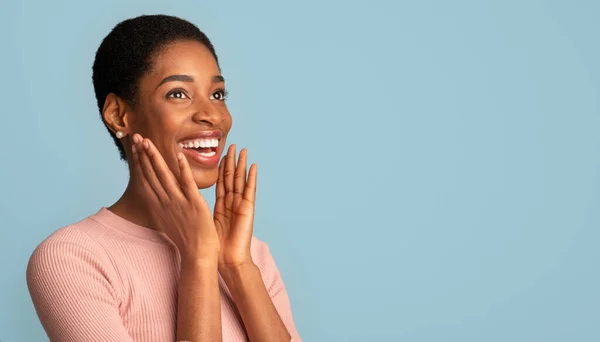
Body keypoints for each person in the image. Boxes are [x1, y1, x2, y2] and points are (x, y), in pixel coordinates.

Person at [26, 14, 301, 342]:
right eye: (178, 94)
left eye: (217, 94)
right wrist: (198, 256)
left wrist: (237, 266)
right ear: (119, 115)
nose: (213, 115)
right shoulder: (73, 257)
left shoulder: (251, 255)